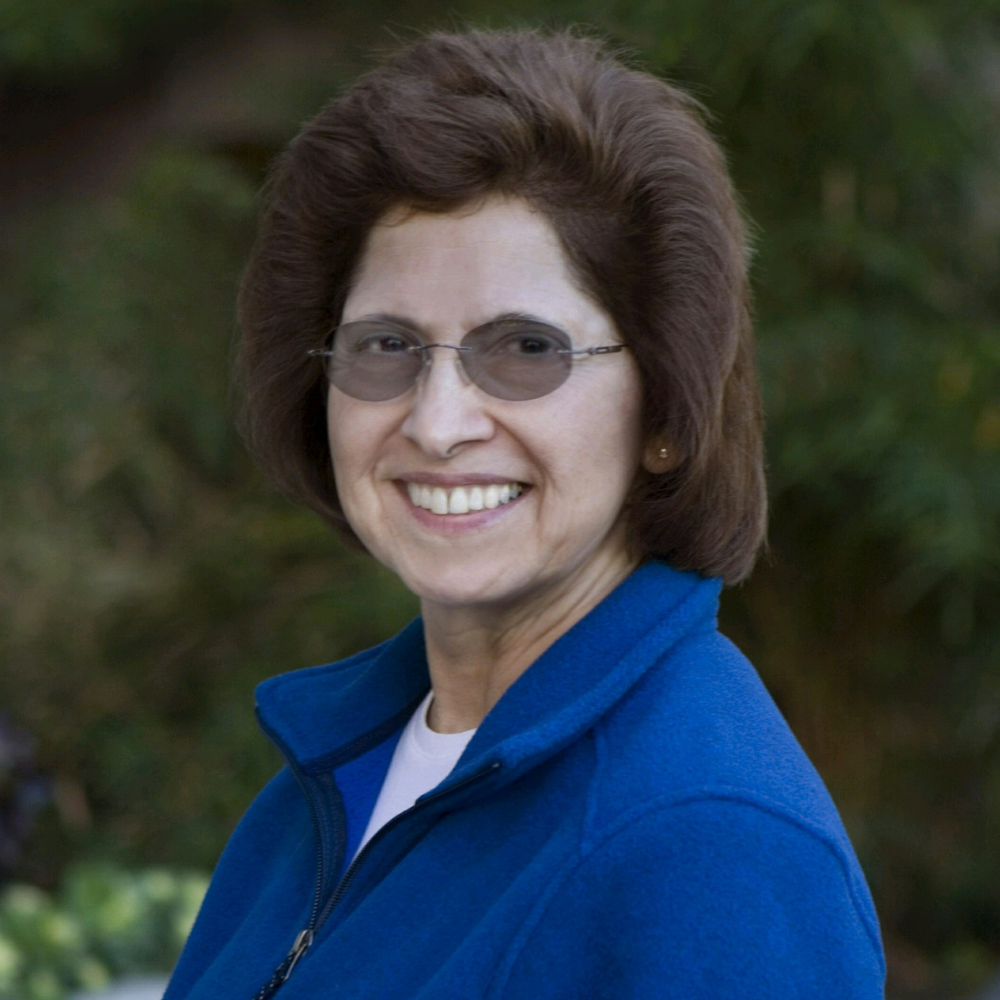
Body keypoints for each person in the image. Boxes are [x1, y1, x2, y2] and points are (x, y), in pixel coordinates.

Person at [164, 28, 885, 1000]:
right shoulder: (316, 794)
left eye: (525, 348)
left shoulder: (711, 846)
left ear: (665, 415)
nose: (437, 422)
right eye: (384, 345)